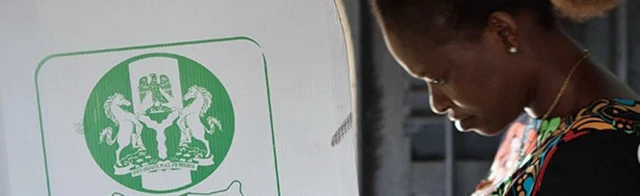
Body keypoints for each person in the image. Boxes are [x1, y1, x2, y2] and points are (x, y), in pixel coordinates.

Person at [369, 0, 640, 195]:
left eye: (440, 78)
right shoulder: (534, 121)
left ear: (502, 32)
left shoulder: (601, 154)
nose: (437, 103)